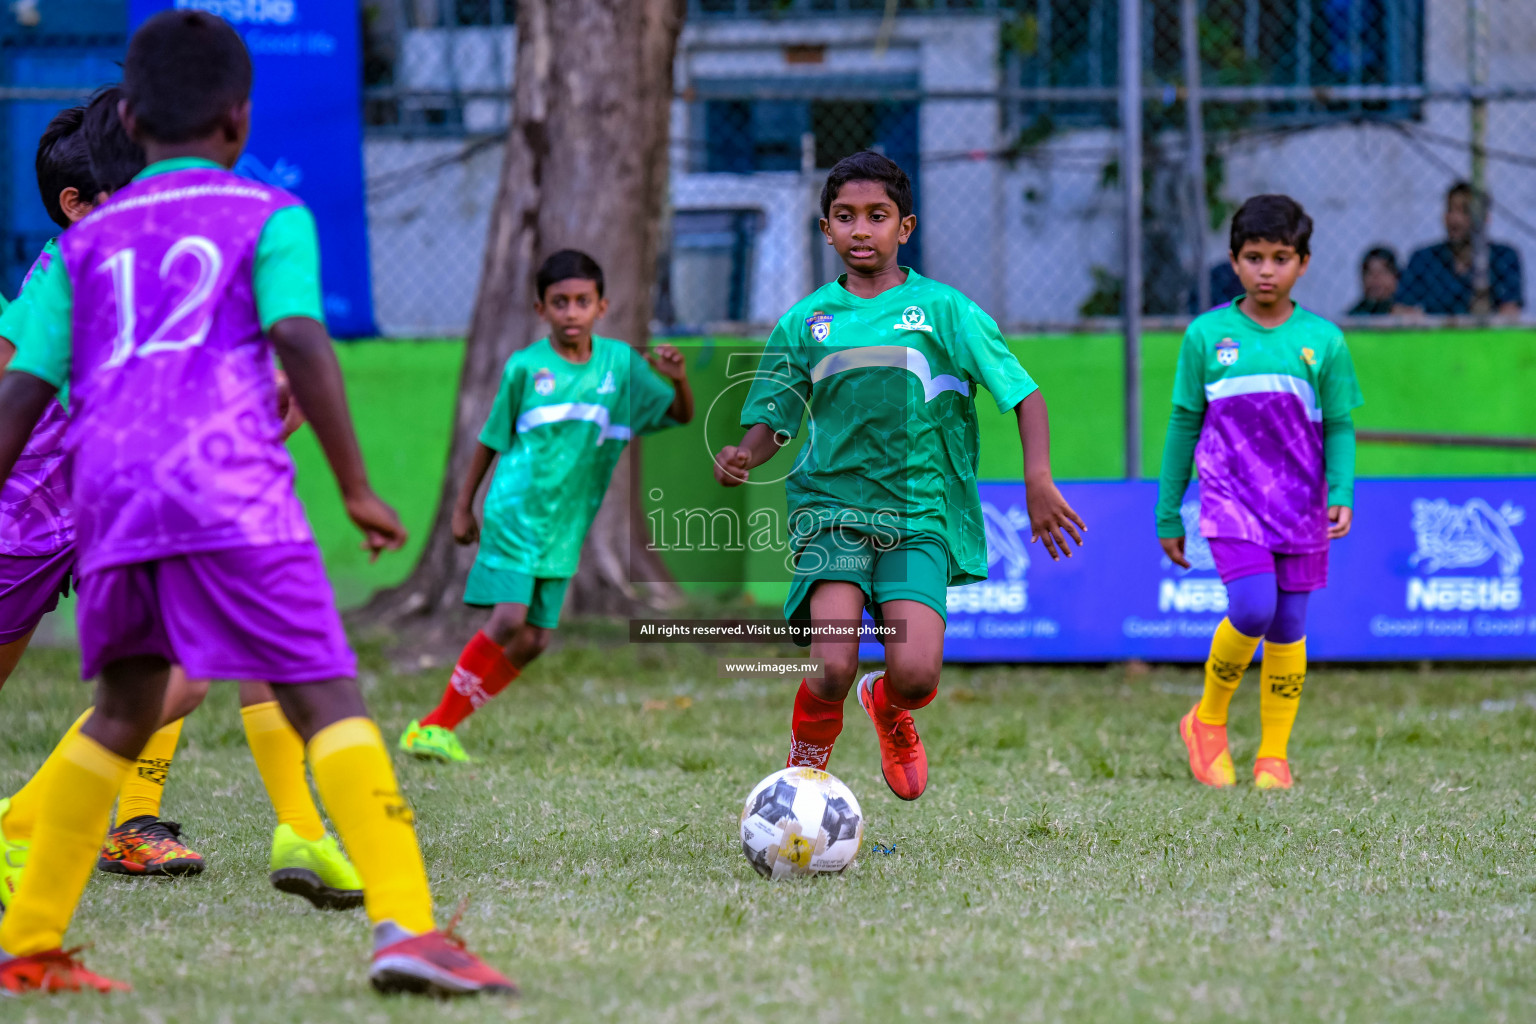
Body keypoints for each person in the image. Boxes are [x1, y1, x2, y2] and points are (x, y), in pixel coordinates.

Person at [0, 11, 511, 995]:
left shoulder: (78, 246)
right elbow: (304, 342)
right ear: (237, 120)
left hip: (110, 505)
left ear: (133, 118)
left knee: (122, 707)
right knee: (326, 690)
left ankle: (28, 942)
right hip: (230, 494)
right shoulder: (266, 214)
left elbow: (22, 392)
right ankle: (406, 922)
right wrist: (358, 483)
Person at [0, 89, 365, 910]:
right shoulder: (70, 269)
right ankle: (28, 823)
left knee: (210, 660)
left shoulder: (149, 263)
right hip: (27, 520)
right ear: (79, 206)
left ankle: (294, 825)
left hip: (117, 513)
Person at [713, 151, 1084, 801]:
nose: (861, 230)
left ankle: (886, 704)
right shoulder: (805, 323)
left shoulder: (945, 312)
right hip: (831, 507)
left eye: (876, 216)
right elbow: (775, 420)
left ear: (904, 228)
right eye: (845, 217)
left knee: (915, 672)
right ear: (825, 230)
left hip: (918, 513)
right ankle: (804, 780)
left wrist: (1038, 479)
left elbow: (1025, 395)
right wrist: (746, 453)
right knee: (831, 662)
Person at [399, 249, 693, 763]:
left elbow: (679, 414)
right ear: (542, 309)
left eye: (582, 301)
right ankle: (434, 727)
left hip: (566, 525)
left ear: (602, 307)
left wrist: (679, 378)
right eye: (560, 302)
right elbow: (490, 439)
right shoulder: (525, 367)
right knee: (510, 619)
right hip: (515, 512)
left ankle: (436, 726)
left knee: (534, 641)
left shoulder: (621, 366)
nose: (571, 312)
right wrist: (463, 506)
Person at [1156, 194, 1362, 791]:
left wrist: (1342, 487)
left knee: (1289, 624)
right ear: (1233, 261)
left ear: (1303, 262)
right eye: (1253, 257)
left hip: (1300, 504)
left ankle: (1274, 755)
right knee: (1252, 608)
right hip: (1230, 499)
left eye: (1280, 258)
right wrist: (1168, 509)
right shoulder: (1207, 335)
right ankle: (1207, 720)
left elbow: (1341, 424)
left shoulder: (1324, 341)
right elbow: (1182, 423)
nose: (1266, 270)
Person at [1395, 182, 1522, 315]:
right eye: (1450, 210)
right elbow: (1400, 310)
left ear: (1485, 218)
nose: (1454, 219)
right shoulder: (1423, 259)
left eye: (1465, 211)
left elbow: (1510, 313)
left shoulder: (1503, 257)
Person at [1348, 246, 1399, 316]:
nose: (1376, 279)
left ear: (1395, 277)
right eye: (1370, 273)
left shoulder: (1407, 314)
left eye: (1382, 272)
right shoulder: (1353, 317)